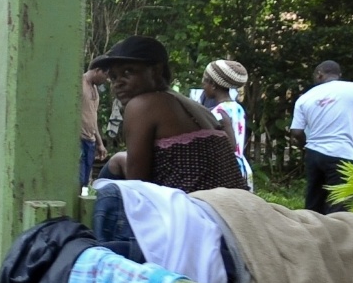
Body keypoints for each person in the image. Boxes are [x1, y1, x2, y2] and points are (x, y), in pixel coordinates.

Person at [91, 35, 246, 193]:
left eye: (128, 72)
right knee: (119, 159)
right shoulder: (196, 108)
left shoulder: (143, 105)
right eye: (114, 77)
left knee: (112, 178)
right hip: (233, 206)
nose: (118, 83)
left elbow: (137, 188)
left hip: (197, 210)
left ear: (156, 70)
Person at [290, 60, 353, 213]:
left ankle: (312, 233)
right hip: (341, 152)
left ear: (319, 74)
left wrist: (305, 145)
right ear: (339, 75)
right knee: (340, 203)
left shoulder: (305, 98)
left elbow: (296, 131)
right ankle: (337, 234)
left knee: (314, 201)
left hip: (314, 154)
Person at [201, 59, 252, 192]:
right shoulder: (237, 108)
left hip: (227, 171)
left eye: (205, 81)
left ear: (213, 84)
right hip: (242, 167)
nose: (203, 85)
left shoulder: (217, 113)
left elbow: (231, 145)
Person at [80, 66, 109, 188]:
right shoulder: (79, 83)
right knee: (78, 179)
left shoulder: (95, 89)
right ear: (97, 70)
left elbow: (93, 117)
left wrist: (100, 143)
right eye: (106, 75)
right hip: (79, 139)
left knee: (85, 182)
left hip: (90, 140)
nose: (107, 79)